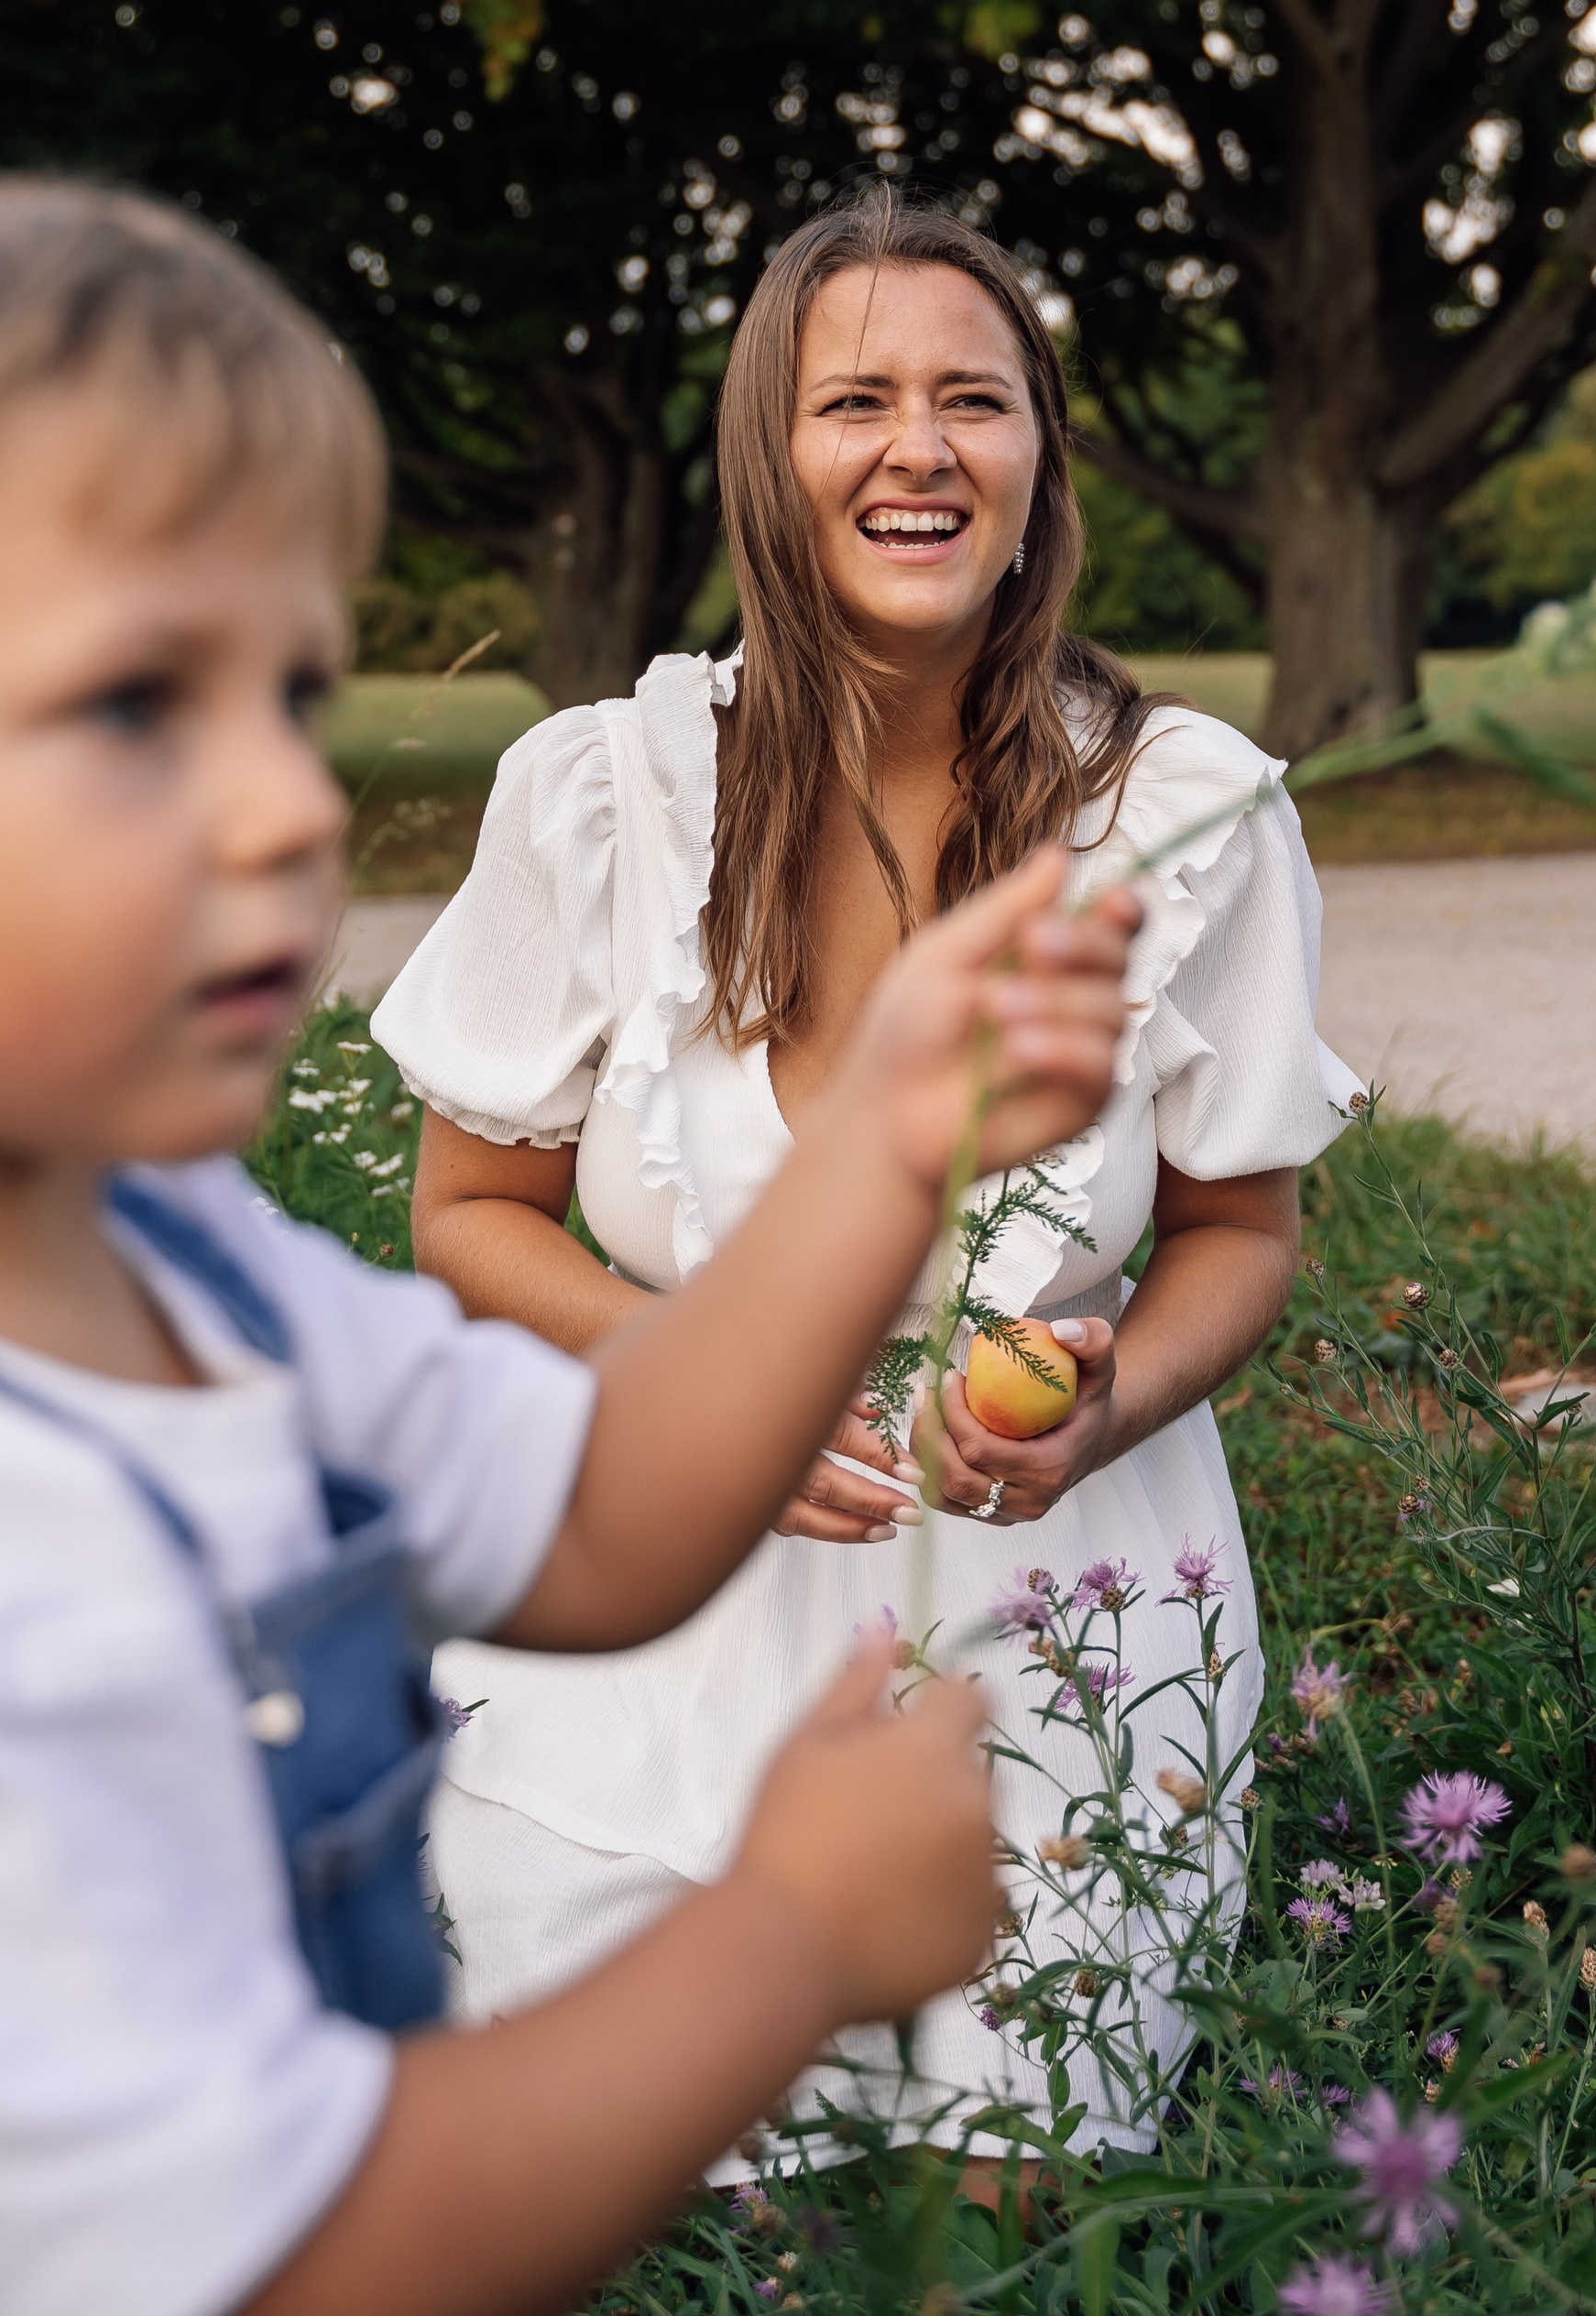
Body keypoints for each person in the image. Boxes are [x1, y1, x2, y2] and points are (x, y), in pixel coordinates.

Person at [0, 174, 1142, 2316]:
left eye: (292, 695)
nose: (280, 812)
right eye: (129, 712)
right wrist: (786, 1941)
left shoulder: (197, 1281)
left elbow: (608, 1517)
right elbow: (300, 2257)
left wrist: (891, 1136)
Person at [385, 193, 1361, 2162]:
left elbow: (1238, 1237)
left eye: (971, 402)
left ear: (1033, 466)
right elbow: (465, 1211)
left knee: (1009, 2207)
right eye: (855, 401)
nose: (917, 446)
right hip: (656, 1623)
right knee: (659, 2196)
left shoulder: (1182, 814)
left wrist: (1110, 1398)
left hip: (1060, 1634)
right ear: (772, 456)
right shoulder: (599, 796)